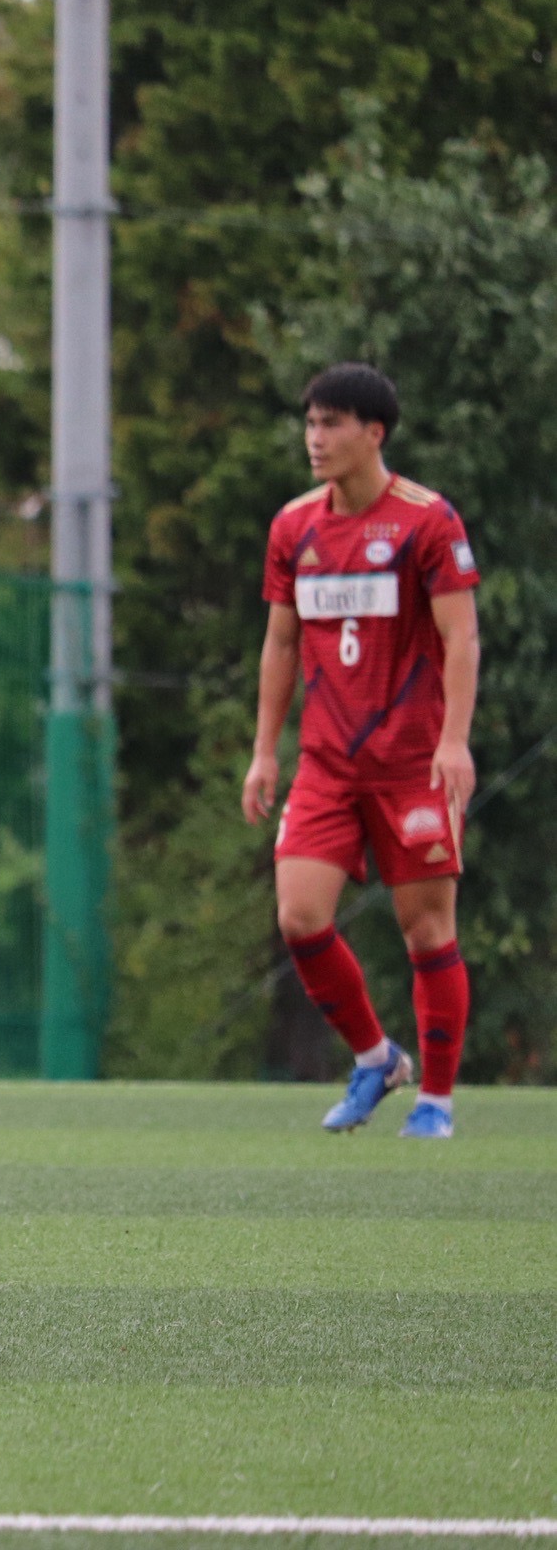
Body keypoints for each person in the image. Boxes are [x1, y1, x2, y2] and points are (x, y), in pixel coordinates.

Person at [243, 363, 481, 1138]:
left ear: (374, 433)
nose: (315, 438)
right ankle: (377, 1059)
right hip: (327, 764)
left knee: (427, 932)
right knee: (299, 917)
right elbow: (281, 644)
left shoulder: (426, 520)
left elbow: (461, 636)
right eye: (310, 423)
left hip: (412, 763)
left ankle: (436, 1102)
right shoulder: (293, 527)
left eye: (332, 424)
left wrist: (454, 742)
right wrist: (265, 752)